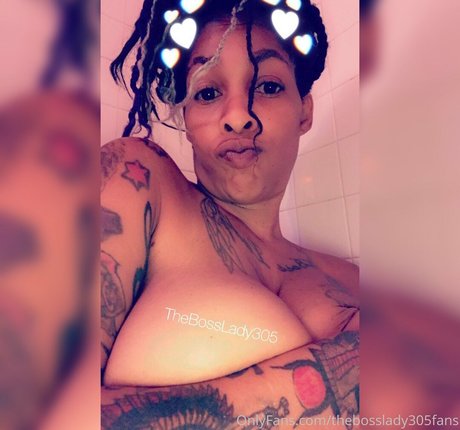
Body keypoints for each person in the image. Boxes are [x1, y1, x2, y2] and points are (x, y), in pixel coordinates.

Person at [101, 0, 359, 426]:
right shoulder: (139, 179)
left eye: (269, 86)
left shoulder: (352, 278)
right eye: (207, 93)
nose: (239, 116)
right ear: (187, 119)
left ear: (305, 111)